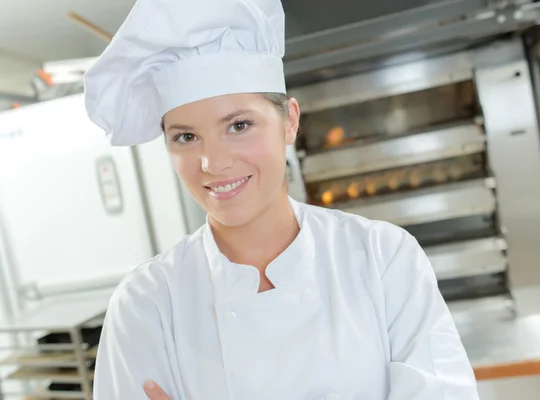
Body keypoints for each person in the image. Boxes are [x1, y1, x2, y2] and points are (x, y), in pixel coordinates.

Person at [84, 0, 480, 399]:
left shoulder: (382, 257)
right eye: (185, 137)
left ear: (290, 120)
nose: (213, 163)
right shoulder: (146, 303)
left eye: (239, 125)